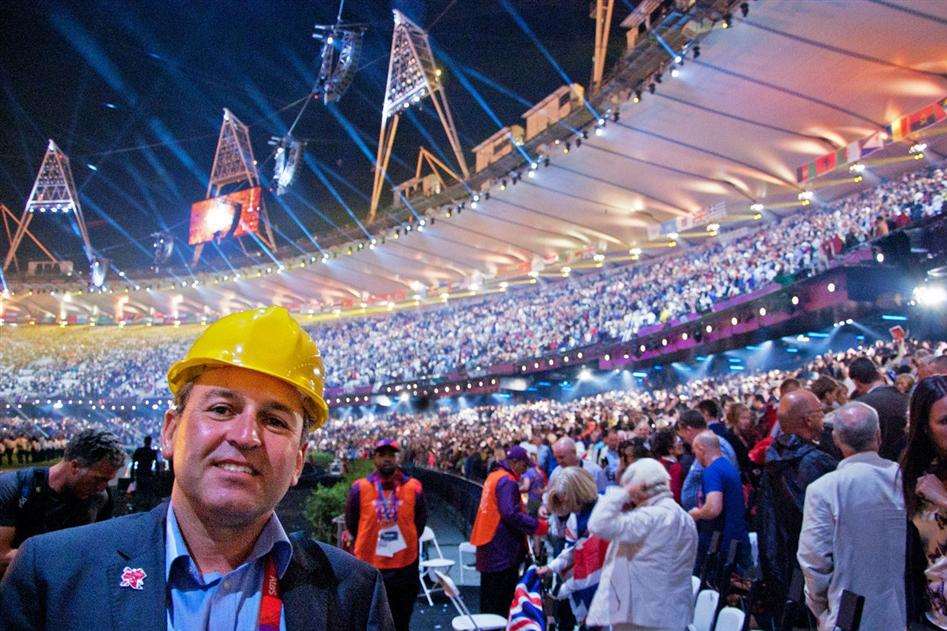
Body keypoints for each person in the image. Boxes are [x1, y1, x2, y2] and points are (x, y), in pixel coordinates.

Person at [0, 306, 394, 630]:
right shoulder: (52, 575)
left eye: (274, 421)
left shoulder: (354, 593)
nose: (246, 436)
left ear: (298, 461)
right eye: (222, 409)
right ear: (171, 432)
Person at [797, 402, 905, 631]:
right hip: (904, 612)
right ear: (878, 435)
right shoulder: (903, 478)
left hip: (848, 615)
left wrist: (823, 612)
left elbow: (814, 562)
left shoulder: (823, 489)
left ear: (836, 439)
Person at [586, 458, 698, 630]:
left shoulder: (649, 518)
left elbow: (598, 524)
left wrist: (622, 492)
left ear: (640, 488)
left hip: (640, 614)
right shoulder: (685, 517)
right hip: (673, 613)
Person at [0, 428, 124, 577]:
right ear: (75, 466)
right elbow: (2, 557)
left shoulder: (99, 498)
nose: (102, 487)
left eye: (108, 480)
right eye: (98, 479)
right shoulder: (14, 487)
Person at [757, 389, 838, 612]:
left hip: (785, 565)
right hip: (818, 567)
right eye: (820, 411)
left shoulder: (774, 458)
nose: (825, 417)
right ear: (808, 419)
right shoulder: (818, 462)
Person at [345, 439, 426, 631]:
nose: (387, 459)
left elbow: (420, 522)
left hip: (404, 566)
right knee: (371, 622)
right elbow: (352, 523)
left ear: (397, 458)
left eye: (391, 455)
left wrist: (407, 538)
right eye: (382, 455)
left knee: (402, 620)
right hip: (369, 568)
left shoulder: (413, 486)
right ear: (374, 459)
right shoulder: (360, 487)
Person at [471, 445, 548, 617]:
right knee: (501, 600)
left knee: (488, 597)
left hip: (488, 545)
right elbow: (510, 513)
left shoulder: (494, 476)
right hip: (501, 549)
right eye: (523, 465)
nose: (524, 470)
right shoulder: (507, 480)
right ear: (515, 462)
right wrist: (536, 526)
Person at [900, 376, 947, 628]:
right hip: (933, 620)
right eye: (945, 421)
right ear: (926, 428)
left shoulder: (933, 490)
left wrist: (943, 500)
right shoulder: (917, 478)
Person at [537, 467, 606, 626]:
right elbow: (572, 552)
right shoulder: (575, 516)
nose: (565, 507)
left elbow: (594, 566)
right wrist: (550, 568)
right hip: (587, 590)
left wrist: (560, 592)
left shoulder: (604, 511)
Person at [688, 431, 751, 577]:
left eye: (695, 451)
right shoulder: (727, 465)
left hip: (722, 542)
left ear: (701, 449)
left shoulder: (712, 471)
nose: (695, 456)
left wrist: (696, 513)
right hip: (737, 536)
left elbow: (713, 508)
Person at [849, 356, 908, 461]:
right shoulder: (906, 398)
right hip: (907, 463)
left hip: (875, 465)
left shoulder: (860, 406)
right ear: (879, 375)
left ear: (857, 383)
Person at [677, 409, 738, 510]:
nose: (684, 441)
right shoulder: (707, 445)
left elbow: (721, 481)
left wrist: (700, 513)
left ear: (688, 430)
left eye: (683, 436)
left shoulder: (716, 446)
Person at [650, 429, 683, 503]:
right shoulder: (675, 468)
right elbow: (675, 494)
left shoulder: (657, 464)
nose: (681, 443)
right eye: (677, 442)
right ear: (670, 449)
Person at [130, 435, 159, 512]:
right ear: (150, 442)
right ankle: (146, 510)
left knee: (140, 494)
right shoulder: (152, 452)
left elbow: (133, 464)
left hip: (140, 475)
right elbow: (157, 465)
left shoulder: (139, 451)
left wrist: (132, 476)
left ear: (144, 441)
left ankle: (137, 510)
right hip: (148, 475)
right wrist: (157, 476)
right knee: (147, 495)